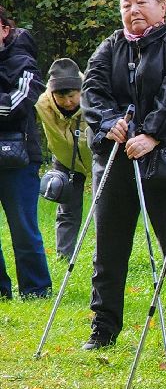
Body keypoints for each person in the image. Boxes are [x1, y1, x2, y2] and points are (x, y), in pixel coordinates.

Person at [81, 0, 166, 349]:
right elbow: (92, 91)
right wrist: (109, 123)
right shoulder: (109, 47)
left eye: (141, 2)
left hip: (165, 159)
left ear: (161, 6)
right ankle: (103, 329)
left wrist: (151, 133)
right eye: (126, 4)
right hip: (116, 161)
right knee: (109, 249)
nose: (133, 10)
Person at [0, 7, 49, 299]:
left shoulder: (24, 62)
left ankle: (36, 289)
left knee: (24, 229)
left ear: (5, 29)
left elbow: (17, 105)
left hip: (20, 159)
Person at [36, 58, 92, 260]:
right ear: (52, 94)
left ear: (80, 91)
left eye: (72, 96)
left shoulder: (93, 95)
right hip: (65, 159)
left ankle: (107, 253)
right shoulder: (42, 104)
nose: (68, 102)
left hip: (97, 156)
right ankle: (64, 255)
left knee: (107, 208)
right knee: (67, 210)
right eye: (61, 97)